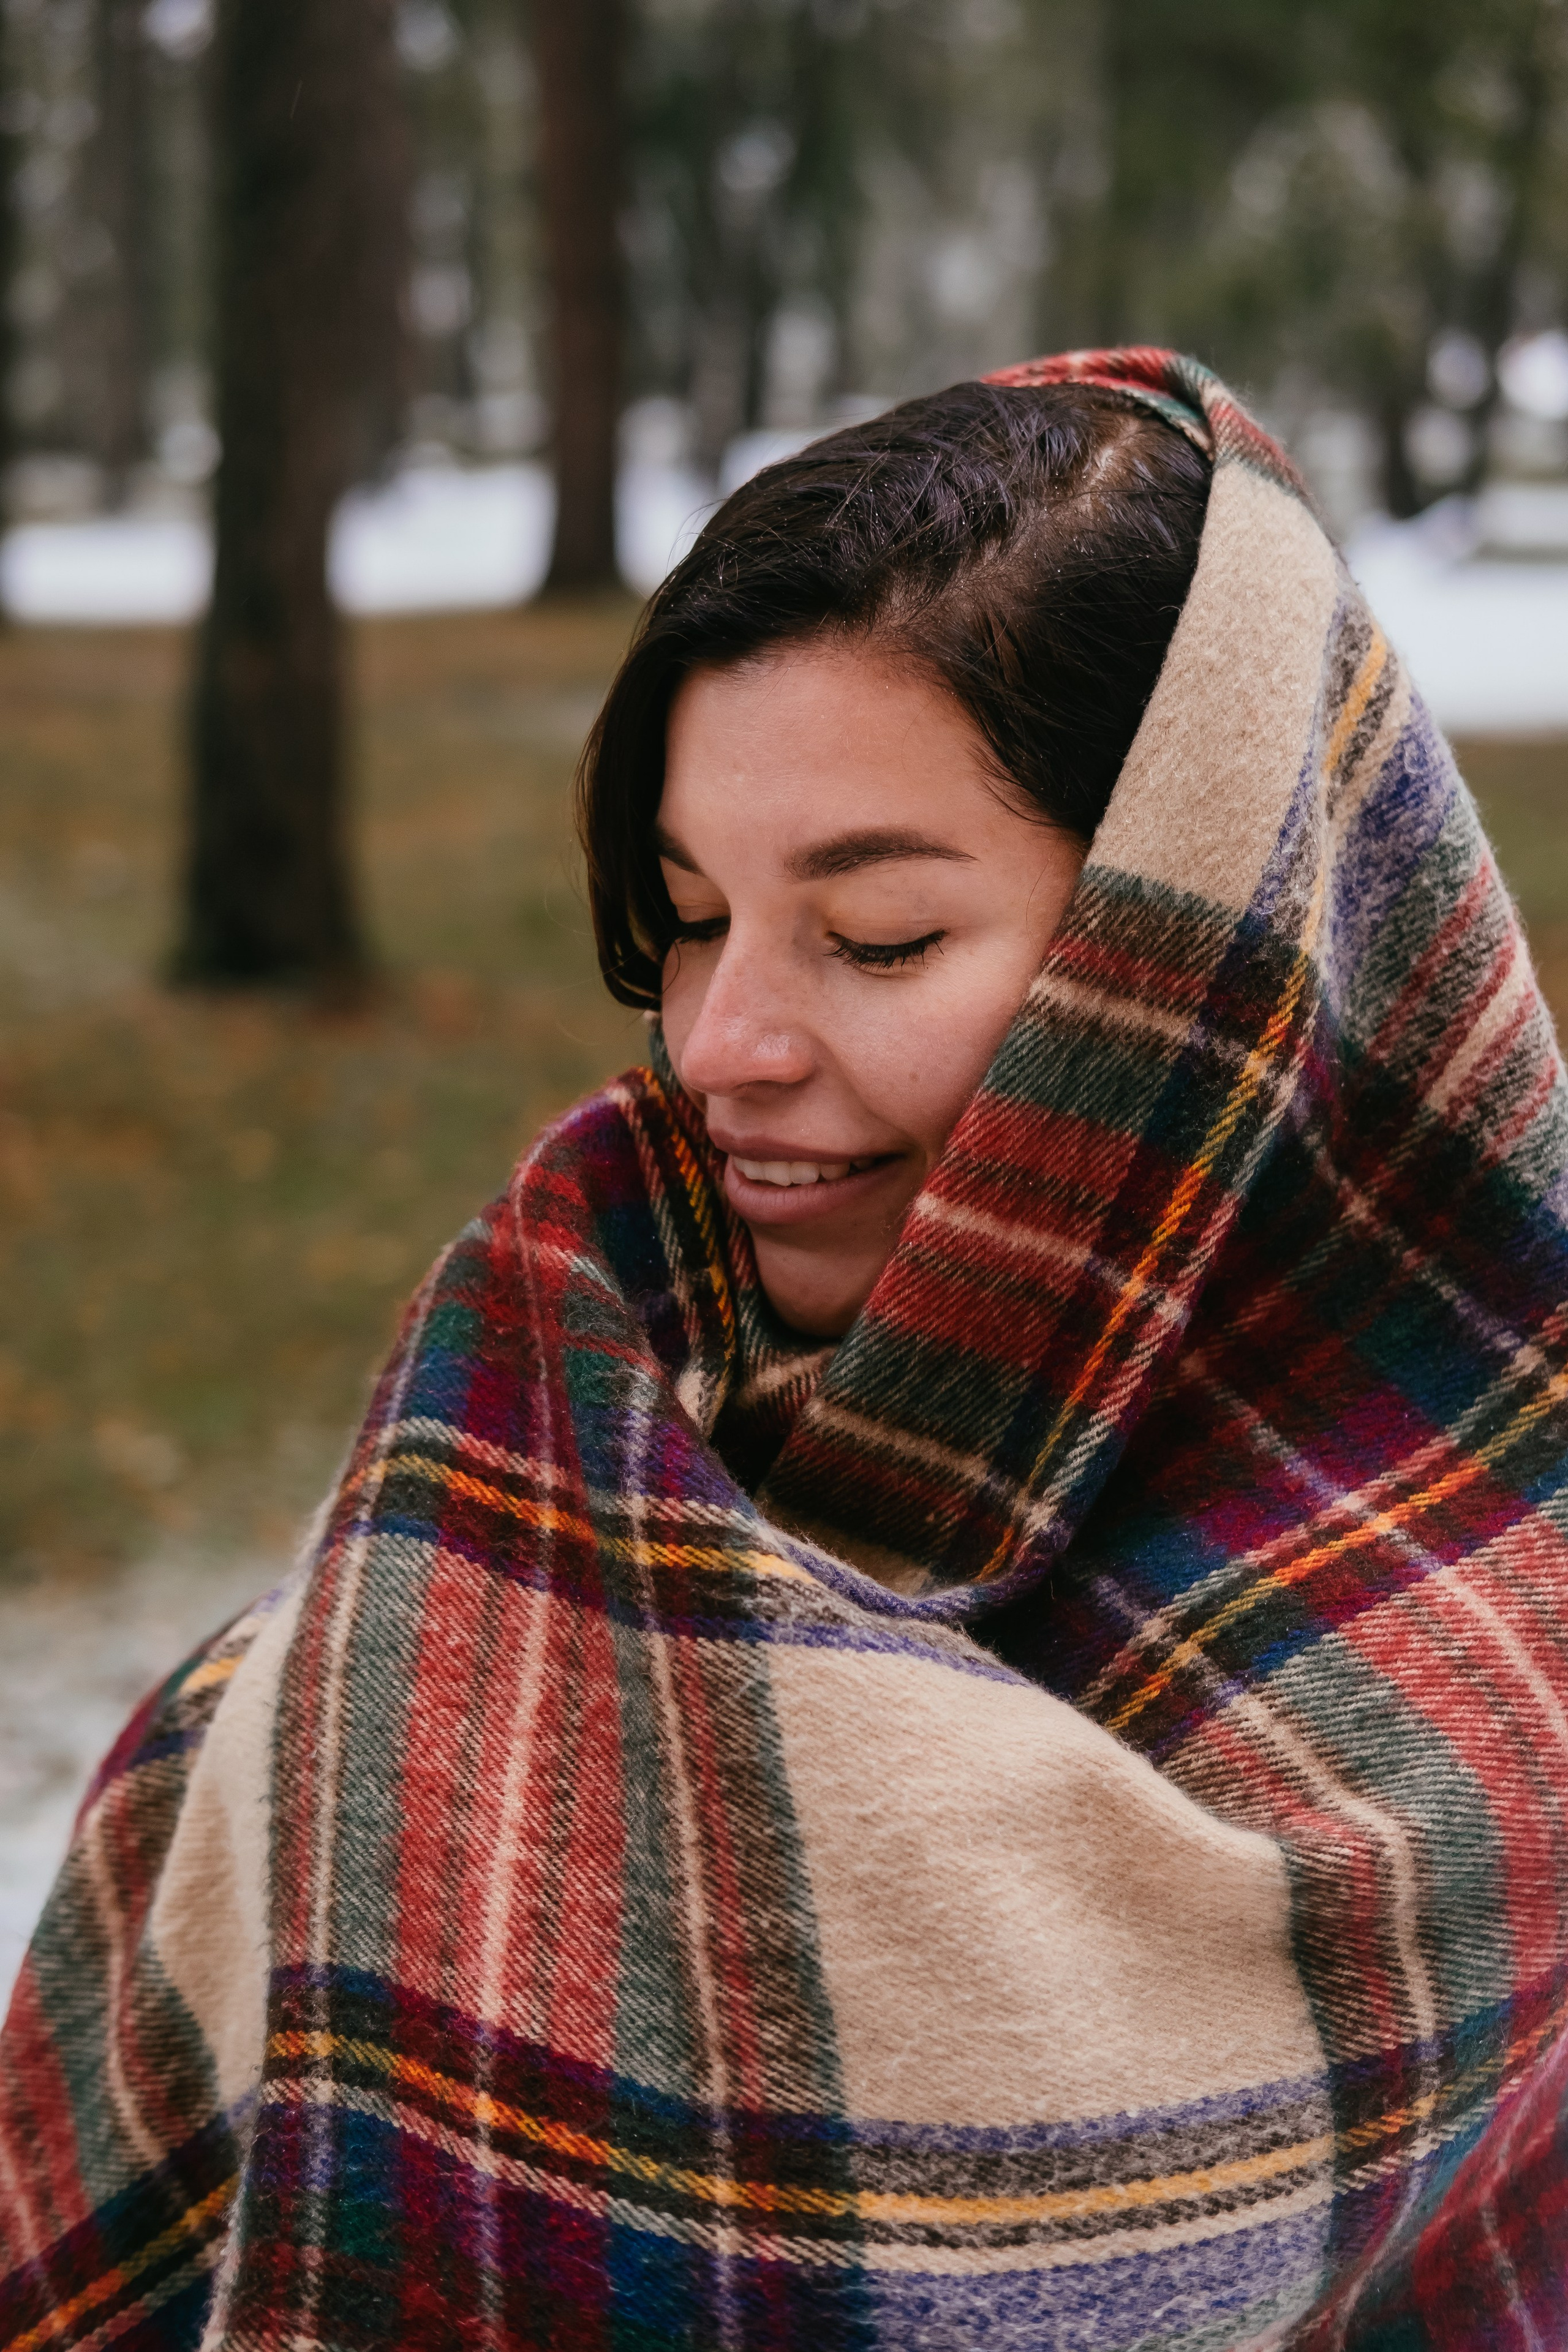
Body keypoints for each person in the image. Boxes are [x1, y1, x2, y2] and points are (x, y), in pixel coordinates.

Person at [2, 349, 1567, 2352]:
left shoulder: (1485, 1654)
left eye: (882, 935)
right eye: (685, 916)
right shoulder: (488, 1554)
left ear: (1209, 958)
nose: (719, 1043)